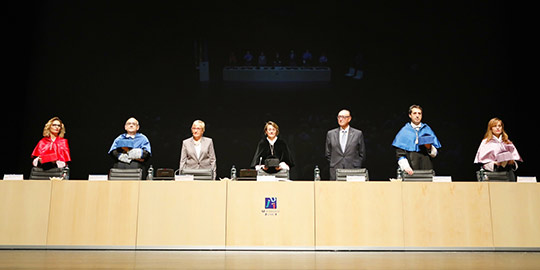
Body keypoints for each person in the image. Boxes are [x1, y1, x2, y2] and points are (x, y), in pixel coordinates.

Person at [392, 105, 441, 175]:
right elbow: (400, 154)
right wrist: (406, 167)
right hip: (410, 168)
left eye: (419, 113)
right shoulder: (404, 131)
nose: (417, 116)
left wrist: (429, 148)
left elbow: (435, 153)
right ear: (410, 115)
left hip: (426, 168)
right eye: (414, 113)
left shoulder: (427, 129)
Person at [325, 109, 366, 180]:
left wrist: (355, 164)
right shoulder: (331, 134)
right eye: (339, 117)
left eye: (343, 117)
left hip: (353, 170)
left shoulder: (357, 134)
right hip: (336, 169)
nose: (340, 119)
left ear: (349, 119)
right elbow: (328, 154)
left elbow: (362, 154)